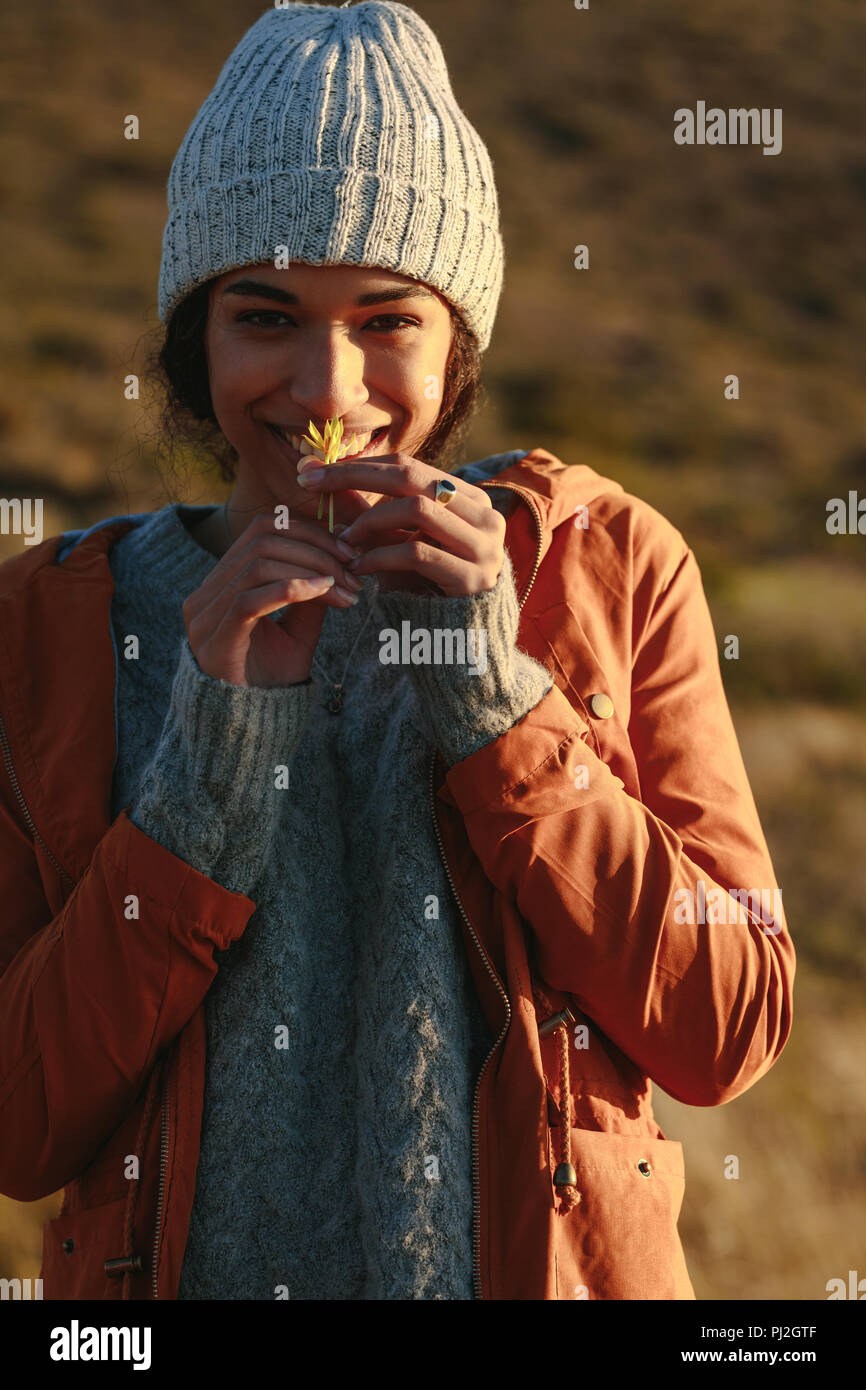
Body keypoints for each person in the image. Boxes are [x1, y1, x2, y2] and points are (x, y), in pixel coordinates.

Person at [0, 1, 794, 1302]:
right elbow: (21, 1124)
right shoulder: (47, 628)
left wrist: (496, 701)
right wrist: (205, 755)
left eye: (385, 320)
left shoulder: (602, 562)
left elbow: (727, 1024)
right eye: (263, 316)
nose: (325, 389)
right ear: (193, 340)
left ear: (457, 344)